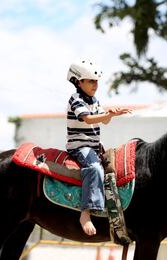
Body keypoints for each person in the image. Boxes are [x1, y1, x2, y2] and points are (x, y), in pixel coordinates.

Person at [66, 59, 131, 236]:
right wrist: (106, 115)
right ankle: (85, 213)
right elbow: (87, 119)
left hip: (94, 146)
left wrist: (111, 115)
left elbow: (104, 120)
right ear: (79, 82)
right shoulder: (76, 99)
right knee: (95, 168)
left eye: (96, 81)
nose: (95, 84)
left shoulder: (94, 100)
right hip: (80, 146)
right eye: (91, 81)